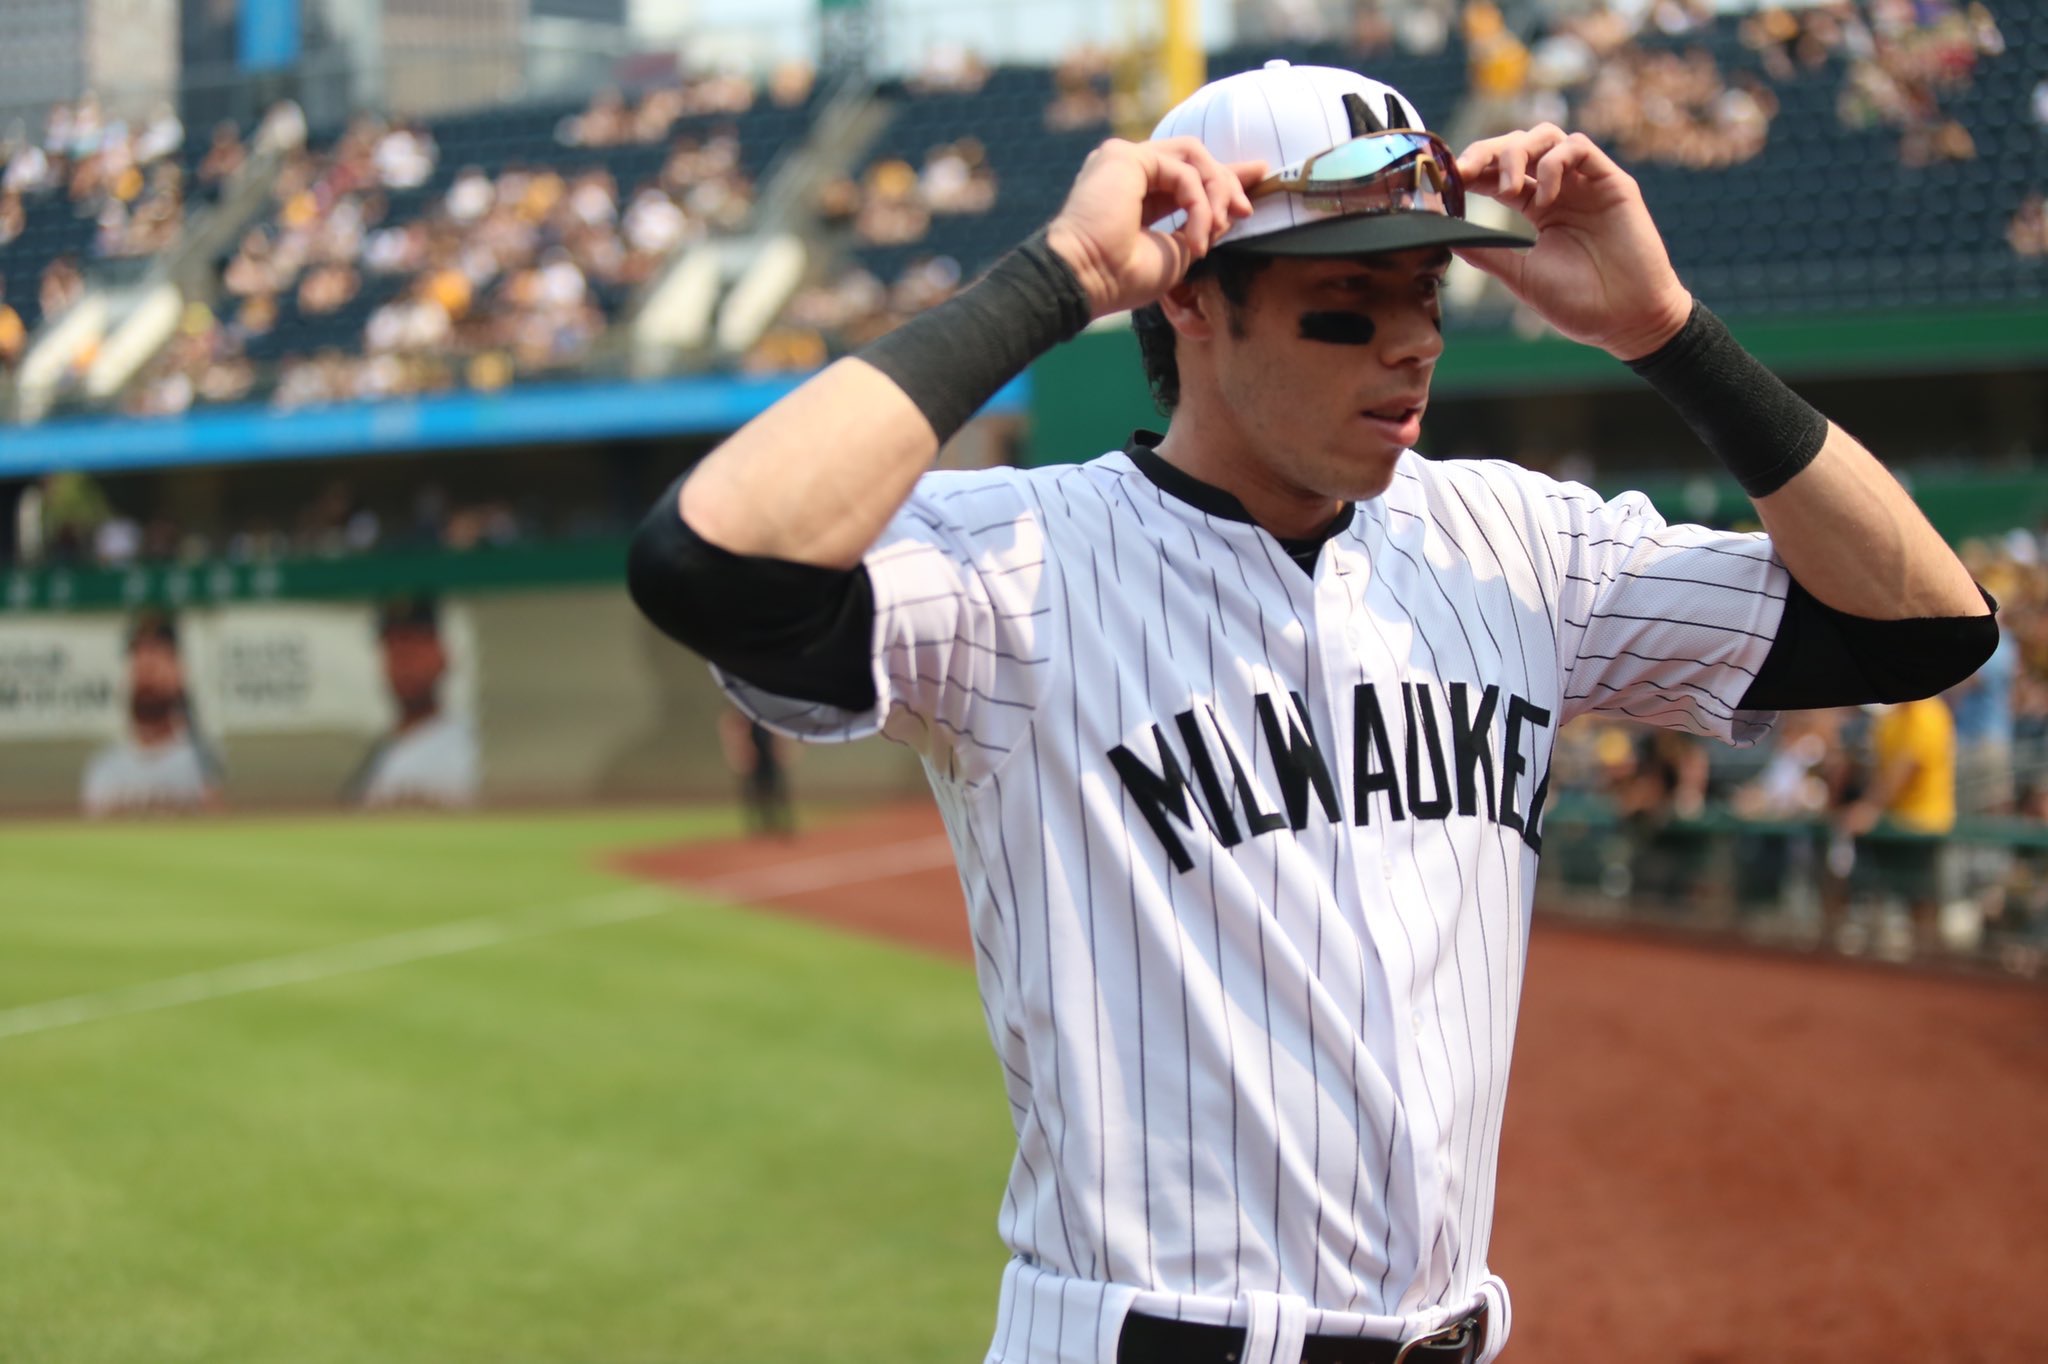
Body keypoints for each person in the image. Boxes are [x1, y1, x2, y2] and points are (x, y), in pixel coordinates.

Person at [628, 61, 1994, 1364]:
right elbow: (709, 562)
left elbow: (1923, 624)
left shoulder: (1516, 544)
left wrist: (1663, 331)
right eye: (1345, 305)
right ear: (1194, 304)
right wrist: (1064, 279)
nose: (1408, 348)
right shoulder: (1015, 564)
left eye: (1427, 296)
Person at [82, 611, 220, 817]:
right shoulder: (104, 767)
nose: (147, 671)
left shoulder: (206, 762)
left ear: (179, 672)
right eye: (139, 659)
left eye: (157, 659)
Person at [347, 596, 478, 808]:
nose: (404, 661)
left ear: (442, 654)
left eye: (413, 645)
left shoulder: (468, 745)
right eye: (393, 646)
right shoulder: (383, 749)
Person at [718, 704, 795, 835]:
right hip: (752, 756)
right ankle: (760, 825)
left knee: (777, 789)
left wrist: (782, 749)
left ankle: (782, 823)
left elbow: (781, 733)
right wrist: (740, 750)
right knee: (753, 791)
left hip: (769, 754)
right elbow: (731, 727)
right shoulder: (741, 709)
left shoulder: (769, 712)